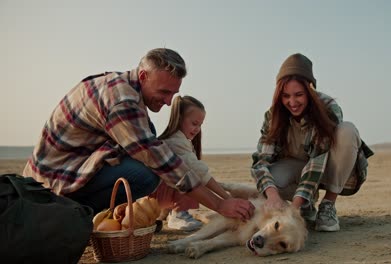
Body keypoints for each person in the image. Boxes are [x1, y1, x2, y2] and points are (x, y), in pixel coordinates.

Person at [23, 48, 254, 222]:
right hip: (53, 181)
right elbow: (161, 161)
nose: (167, 102)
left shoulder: (125, 86)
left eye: (173, 94)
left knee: (152, 139)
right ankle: (71, 215)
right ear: (143, 76)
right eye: (163, 92)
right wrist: (220, 205)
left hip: (73, 165)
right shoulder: (122, 101)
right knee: (146, 175)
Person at [251, 53, 373, 232]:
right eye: (286, 96)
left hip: (329, 168)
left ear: (310, 90)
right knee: (270, 181)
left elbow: (317, 161)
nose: (292, 102)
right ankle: (307, 205)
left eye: (298, 95)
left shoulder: (328, 108)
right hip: (296, 167)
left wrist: (294, 209)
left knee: (347, 130)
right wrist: (273, 196)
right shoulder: (272, 116)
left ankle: (328, 205)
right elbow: (261, 161)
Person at [151, 95, 232, 231]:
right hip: (153, 196)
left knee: (185, 175)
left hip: (157, 194)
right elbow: (200, 173)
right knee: (190, 177)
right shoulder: (176, 142)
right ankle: (178, 214)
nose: (197, 129)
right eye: (194, 124)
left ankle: (166, 213)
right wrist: (226, 198)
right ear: (179, 119)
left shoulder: (181, 141)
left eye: (200, 125)